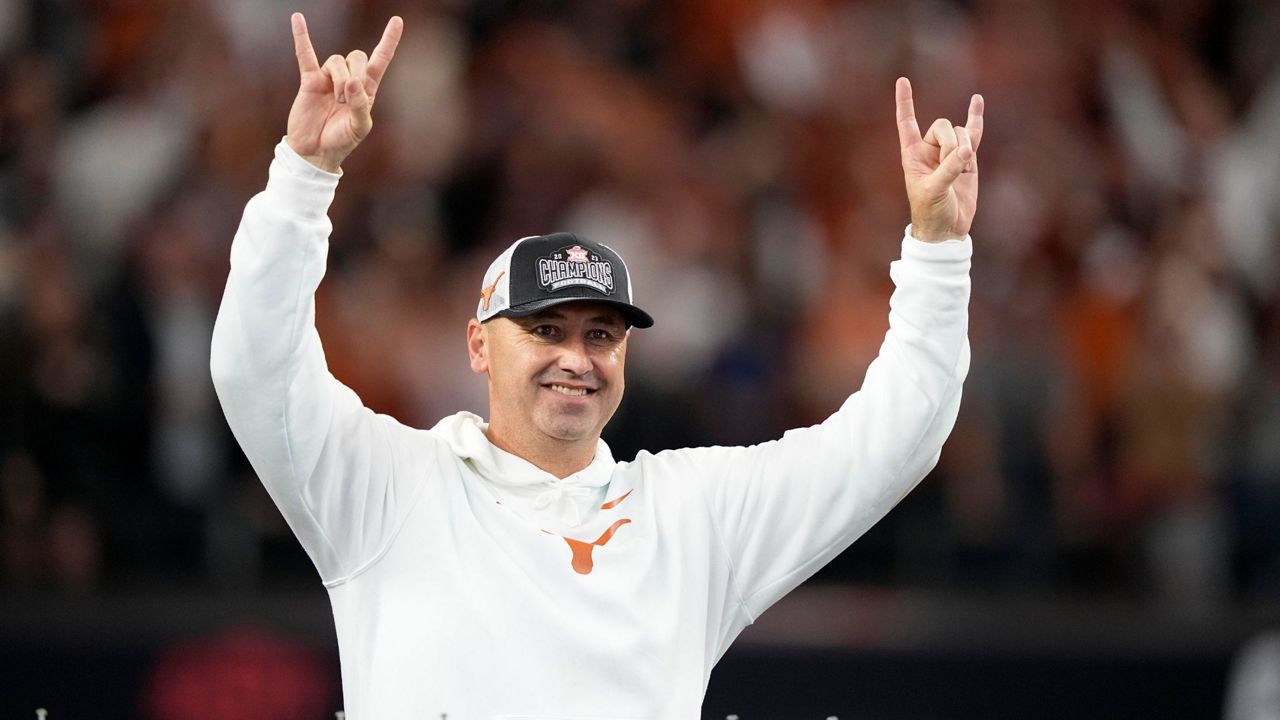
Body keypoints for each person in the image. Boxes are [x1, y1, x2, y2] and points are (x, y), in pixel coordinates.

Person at [209, 11, 983, 719]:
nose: (576, 358)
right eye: (545, 330)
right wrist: (304, 176)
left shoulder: (689, 519)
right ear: (479, 344)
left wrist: (940, 253)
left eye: (601, 335)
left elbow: (893, 440)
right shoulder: (387, 486)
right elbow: (256, 368)